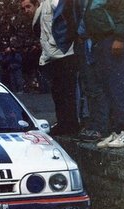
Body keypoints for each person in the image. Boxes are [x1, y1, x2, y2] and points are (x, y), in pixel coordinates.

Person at [79, 0, 124, 148]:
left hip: (113, 37)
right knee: (106, 86)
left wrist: (119, 36)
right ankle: (118, 130)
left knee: (117, 84)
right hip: (101, 38)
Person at [21, 0, 80, 136]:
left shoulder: (51, 3)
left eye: (28, 6)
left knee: (67, 93)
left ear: (36, 4)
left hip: (65, 55)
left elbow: (69, 18)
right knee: (58, 93)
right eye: (23, 9)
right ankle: (63, 124)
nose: (26, 11)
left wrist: (62, 42)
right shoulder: (37, 18)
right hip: (53, 57)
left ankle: (71, 126)